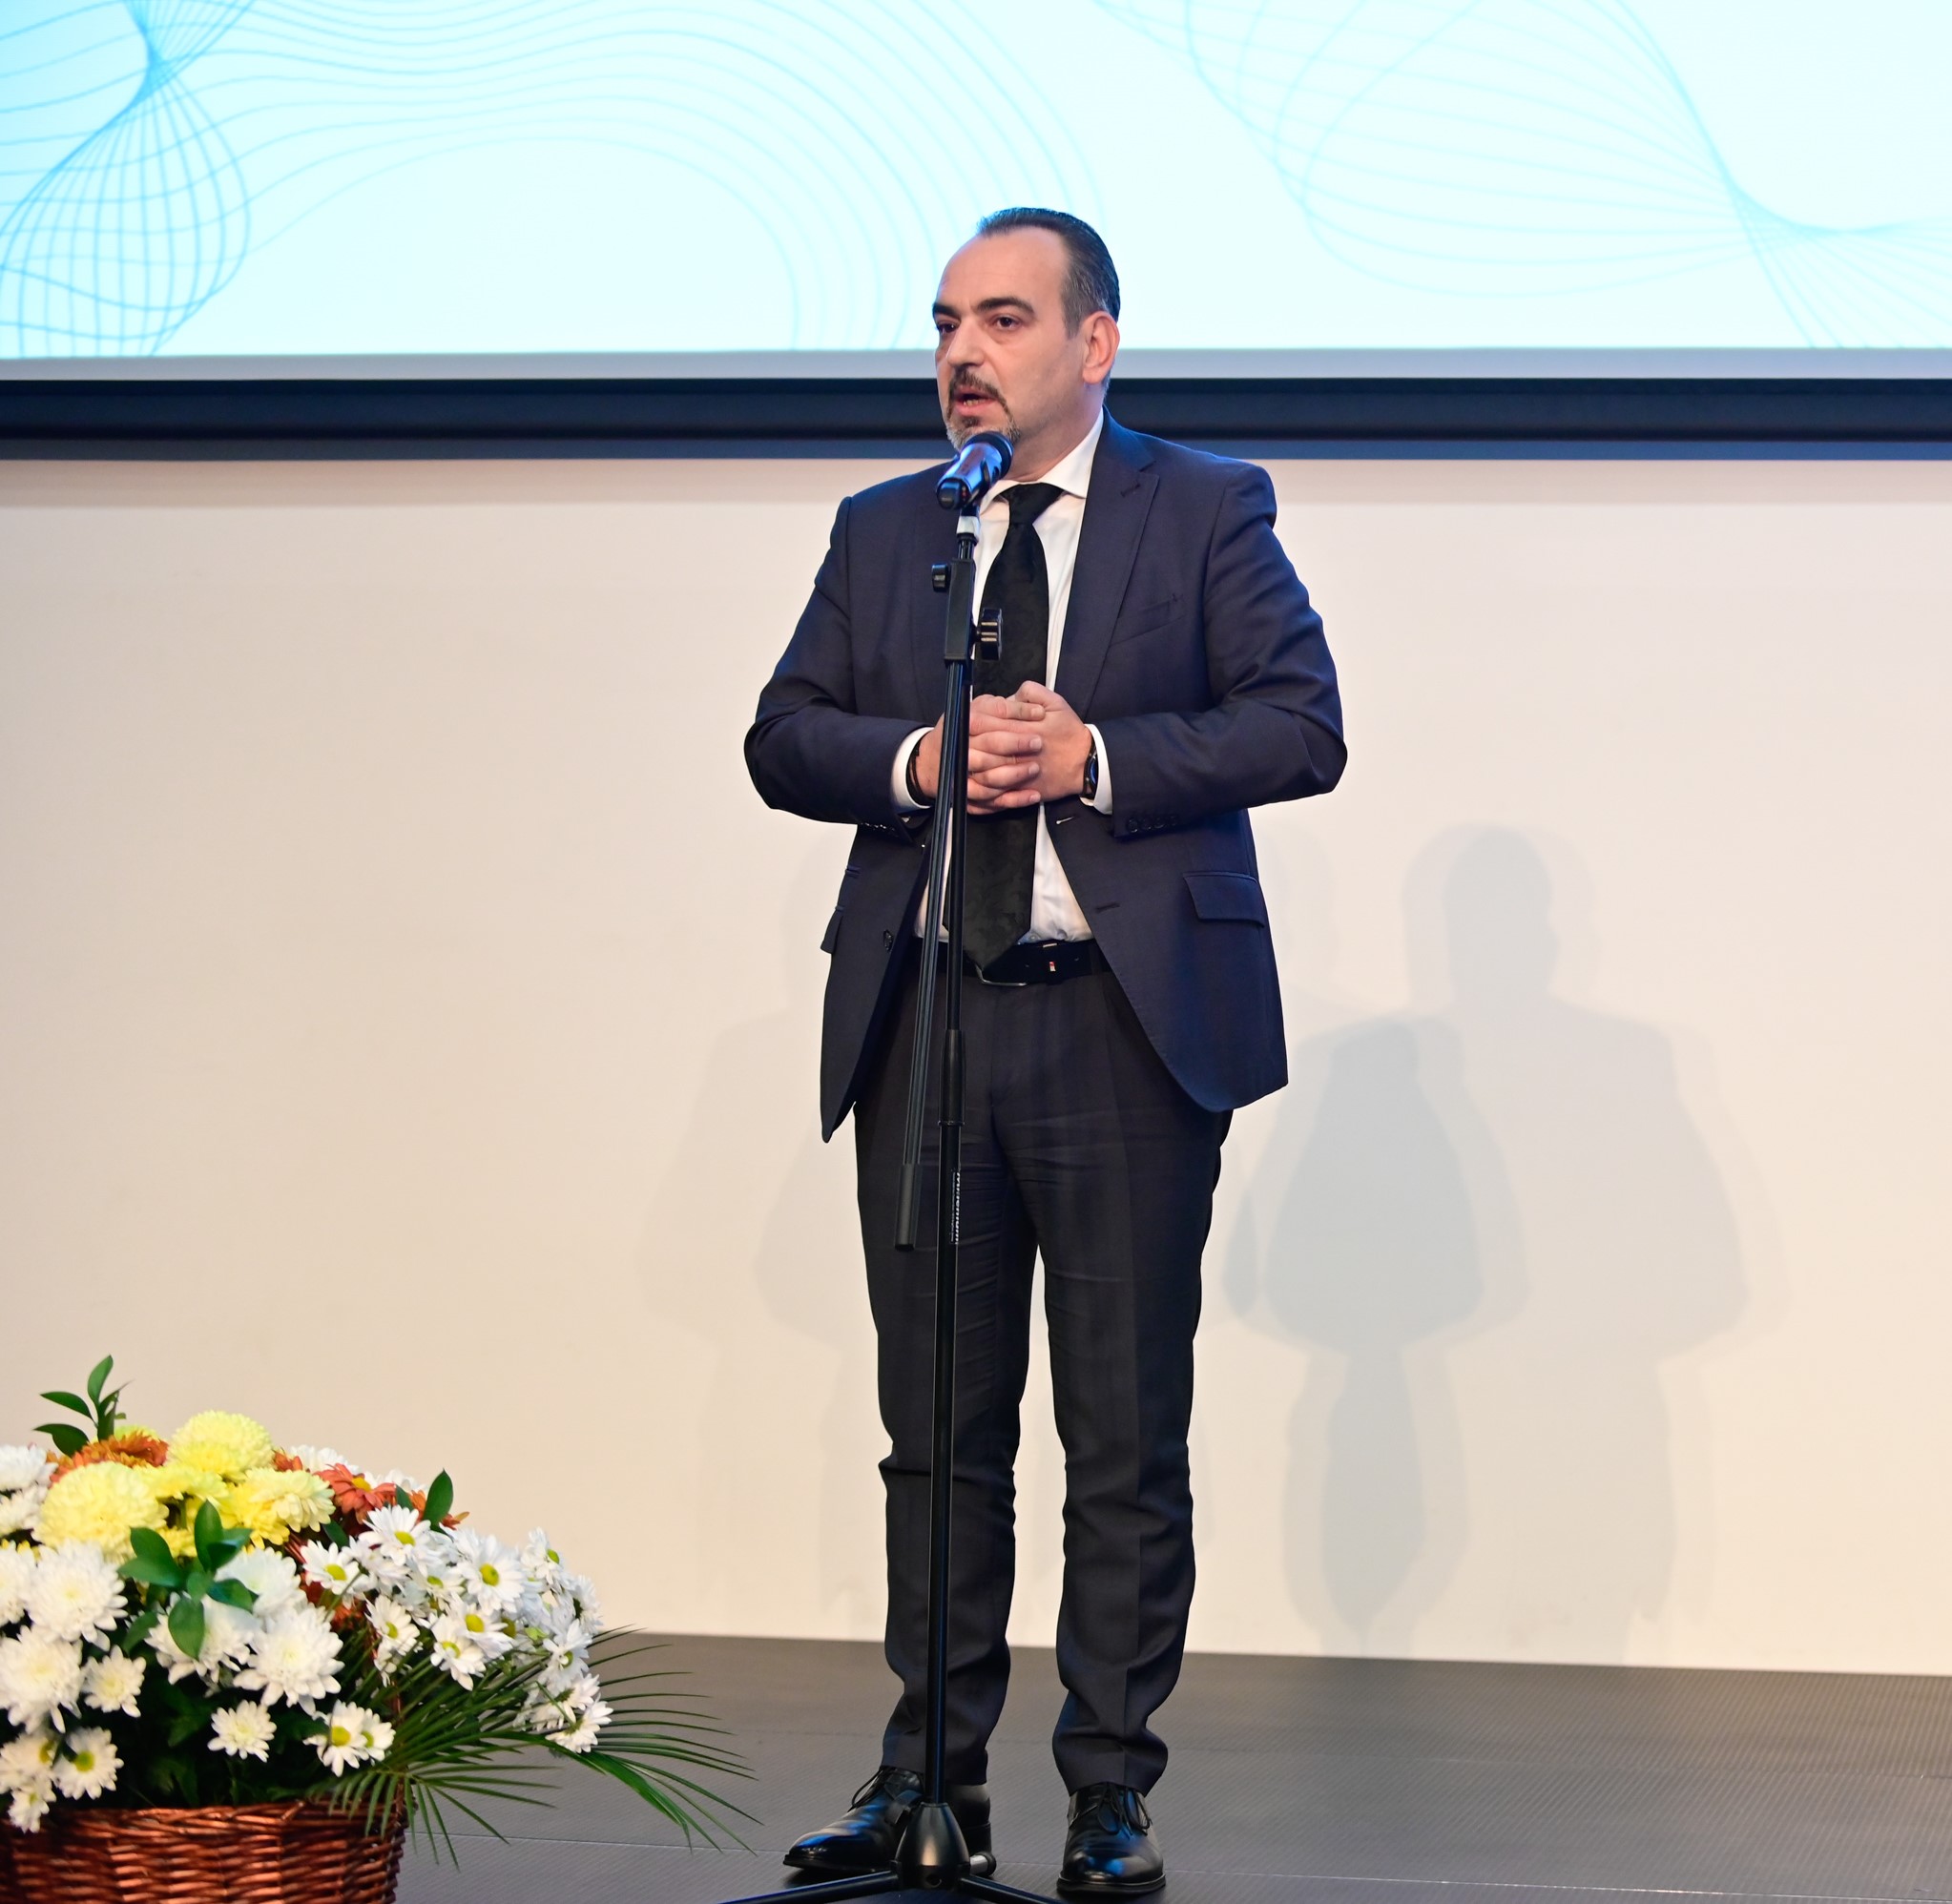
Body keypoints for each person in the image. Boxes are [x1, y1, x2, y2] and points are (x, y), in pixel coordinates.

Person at [745, 208, 1345, 1895]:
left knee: (1120, 1436)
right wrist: (919, 762)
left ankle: (1107, 1790)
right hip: (927, 1017)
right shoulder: (888, 528)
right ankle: (922, 1783)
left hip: (1117, 1027)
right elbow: (783, 736)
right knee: (936, 1436)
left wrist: (1096, 758)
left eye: (1002, 319)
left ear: (1094, 342)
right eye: (945, 321)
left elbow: (1299, 724)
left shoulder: (1204, 505)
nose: (961, 352)